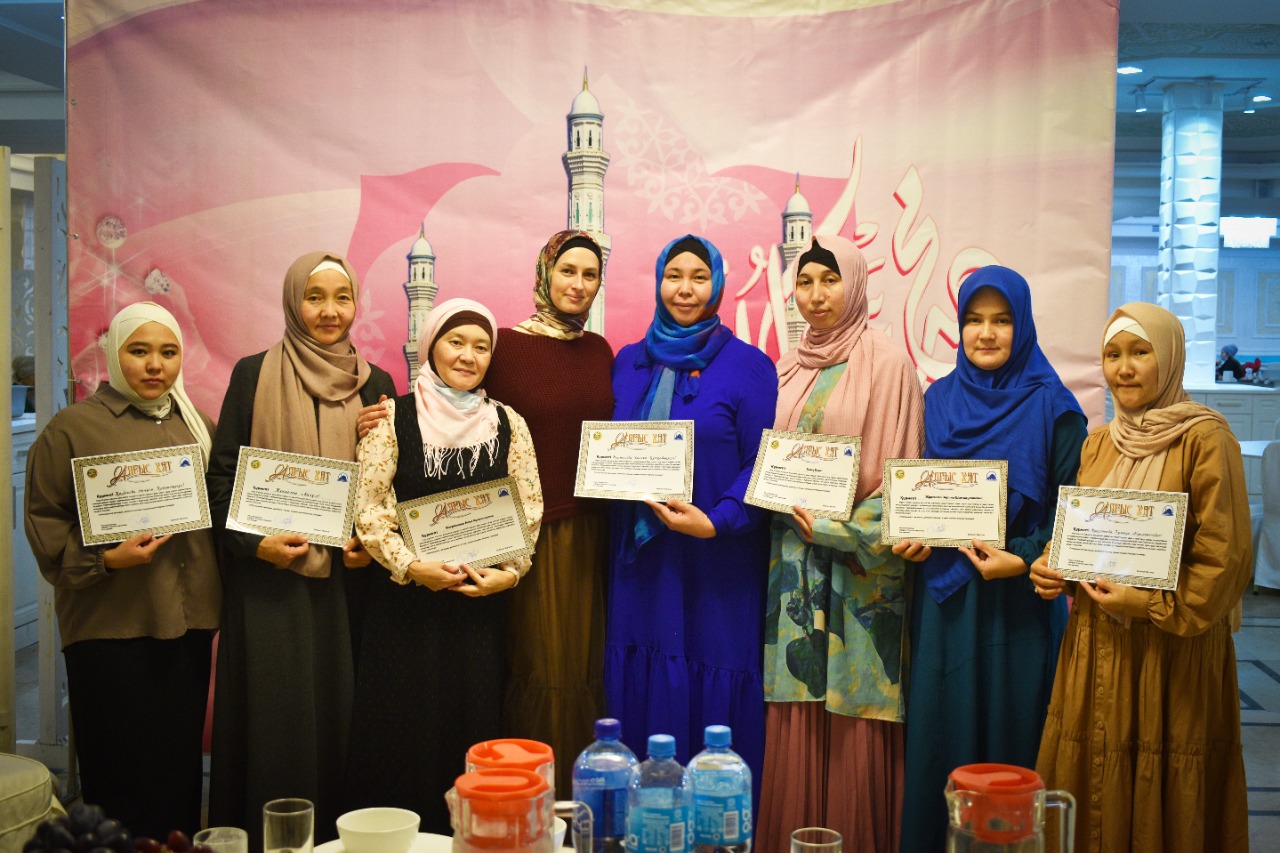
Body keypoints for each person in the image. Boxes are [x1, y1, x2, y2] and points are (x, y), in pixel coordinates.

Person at [1031, 302, 1251, 852]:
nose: (1123, 368)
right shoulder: (1100, 442)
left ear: (1170, 357)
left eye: (1139, 353)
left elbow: (1224, 559)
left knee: (1164, 792)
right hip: (1097, 648)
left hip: (1171, 653)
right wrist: (1054, 564)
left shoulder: (1205, 439)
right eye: (1112, 355)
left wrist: (1150, 604)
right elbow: (1087, 530)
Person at [894, 266, 1086, 852]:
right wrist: (913, 538)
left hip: (1017, 607)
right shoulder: (938, 399)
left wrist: (1022, 560)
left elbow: (1070, 520)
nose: (985, 333)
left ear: (1021, 326)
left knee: (1011, 742)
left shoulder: (1055, 407)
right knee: (942, 740)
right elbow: (922, 492)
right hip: (947, 605)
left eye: (1001, 321)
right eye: (974, 320)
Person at [207, 252, 396, 844]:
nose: (329, 311)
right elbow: (219, 480)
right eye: (315, 297)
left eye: (342, 297)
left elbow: (392, 486)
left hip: (346, 588)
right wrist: (255, 544)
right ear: (293, 301)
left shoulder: (378, 385)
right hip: (270, 585)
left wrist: (370, 544)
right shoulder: (253, 374)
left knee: (342, 723)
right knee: (275, 726)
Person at [345, 298, 543, 834]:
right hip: (403, 610)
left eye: (481, 347)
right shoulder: (392, 419)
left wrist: (512, 572)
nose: (467, 356)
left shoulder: (509, 424)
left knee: (468, 728)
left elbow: (527, 508)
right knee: (398, 731)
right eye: (456, 342)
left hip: (476, 611)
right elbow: (369, 509)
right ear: (431, 345)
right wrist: (411, 567)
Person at [757, 236, 925, 853]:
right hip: (794, 573)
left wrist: (834, 528)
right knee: (798, 707)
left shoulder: (889, 364)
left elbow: (904, 481)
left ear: (854, 285)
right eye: (805, 282)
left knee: (855, 721)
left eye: (831, 280)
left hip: (860, 577)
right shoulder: (787, 367)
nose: (817, 295)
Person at [25, 302, 218, 838]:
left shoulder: (195, 424)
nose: (155, 365)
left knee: (177, 767)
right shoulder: (72, 429)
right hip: (110, 625)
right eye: (139, 351)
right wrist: (106, 559)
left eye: (168, 352)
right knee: (118, 770)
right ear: (114, 354)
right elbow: (44, 521)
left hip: (188, 623)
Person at [606, 234, 777, 794]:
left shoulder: (749, 366)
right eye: (673, 275)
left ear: (718, 285)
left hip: (716, 564)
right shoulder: (629, 362)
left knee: (714, 688)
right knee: (644, 677)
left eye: (699, 277)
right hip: (643, 566)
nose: (684, 289)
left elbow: (762, 462)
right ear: (658, 281)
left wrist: (716, 520)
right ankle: (644, 822)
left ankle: (716, 823)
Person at [483, 230, 614, 798]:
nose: (577, 284)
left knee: (583, 666)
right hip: (528, 534)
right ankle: (530, 800)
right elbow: (453, 402)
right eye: (567, 271)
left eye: (590, 274)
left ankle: (581, 804)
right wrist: (387, 416)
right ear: (545, 273)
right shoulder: (504, 347)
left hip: (592, 531)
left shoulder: (601, 351)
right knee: (538, 664)